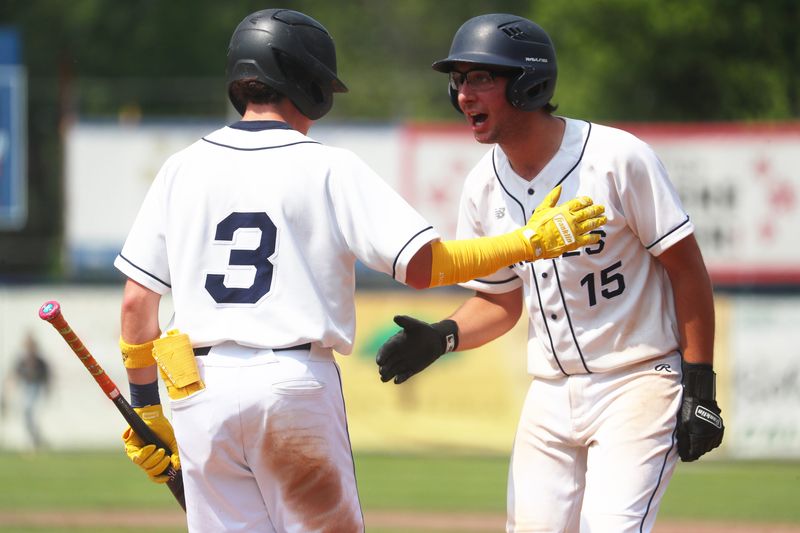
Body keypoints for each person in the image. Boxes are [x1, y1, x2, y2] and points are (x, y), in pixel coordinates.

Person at [113, 8, 606, 533]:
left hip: (198, 391)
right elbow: (424, 265)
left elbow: (136, 306)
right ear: (306, 83)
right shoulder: (327, 165)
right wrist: (528, 242)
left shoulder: (181, 167)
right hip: (290, 385)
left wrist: (145, 408)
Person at [376, 13, 725, 533]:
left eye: (480, 78)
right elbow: (500, 302)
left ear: (527, 81)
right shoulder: (482, 186)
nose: (464, 95)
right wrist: (444, 336)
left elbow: (687, 271)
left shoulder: (616, 158)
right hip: (551, 393)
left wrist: (700, 383)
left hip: (637, 382)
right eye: (458, 81)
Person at [13, 333, 51, 450]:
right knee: (27, 414)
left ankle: (34, 441)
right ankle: (34, 439)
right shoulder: (22, 360)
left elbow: (45, 376)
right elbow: (16, 373)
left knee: (30, 412)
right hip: (25, 388)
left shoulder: (40, 361)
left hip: (36, 388)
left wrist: (47, 390)